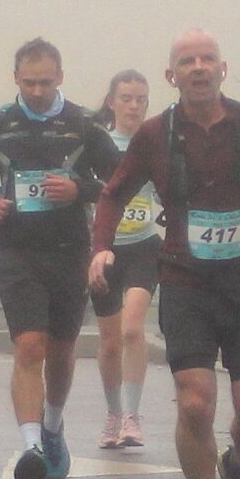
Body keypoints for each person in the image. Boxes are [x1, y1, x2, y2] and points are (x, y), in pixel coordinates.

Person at [93, 30, 240, 479]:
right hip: (186, 283)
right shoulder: (155, 134)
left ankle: (236, 462)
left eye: (207, 59)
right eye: (187, 61)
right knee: (196, 403)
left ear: (222, 69)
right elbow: (113, 194)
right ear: (172, 76)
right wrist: (101, 248)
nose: (199, 67)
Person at [0, 37, 124, 479]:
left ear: (60, 77)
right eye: (28, 82)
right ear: (15, 79)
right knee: (28, 346)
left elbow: (119, 181)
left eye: (45, 82)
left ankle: (53, 427)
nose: (37, 91)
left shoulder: (83, 124)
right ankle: (32, 447)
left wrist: (79, 189)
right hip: (19, 252)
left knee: (60, 349)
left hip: (69, 250)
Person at [89, 69, 159, 450]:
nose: (134, 106)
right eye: (126, 99)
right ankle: (113, 413)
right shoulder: (99, 145)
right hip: (105, 251)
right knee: (111, 340)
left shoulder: (153, 144)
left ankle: (132, 416)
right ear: (111, 102)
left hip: (143, 247)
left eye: (141, 100)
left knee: (133, 328)